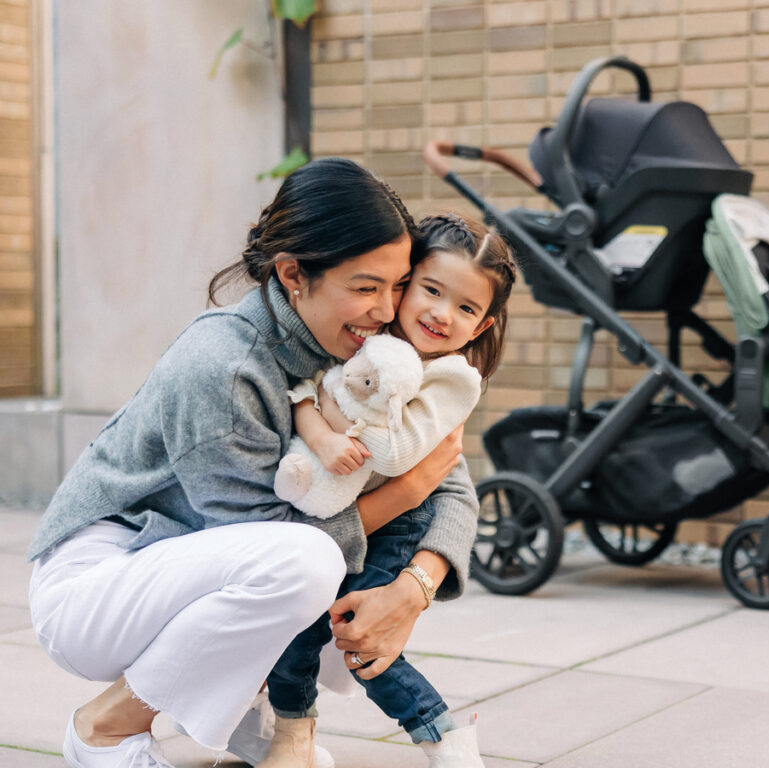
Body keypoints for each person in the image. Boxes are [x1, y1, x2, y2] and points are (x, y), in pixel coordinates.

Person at [26, 158, 479, 768]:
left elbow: (450, 480)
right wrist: (405, 491)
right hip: (99, 586)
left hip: (179, 566)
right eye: (367, 286)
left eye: (398, 285)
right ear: (294, 274)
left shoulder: (358, 348)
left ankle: (240, 711)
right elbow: (266, 537)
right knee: (309, 562)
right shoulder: (226, 364)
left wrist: (412, 589)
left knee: (330, 567)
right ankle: (104, 728)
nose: (386, 307)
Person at [267, 213, 516, 766]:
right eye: (431, 290)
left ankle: (441, 731)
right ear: (403, 286)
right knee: (299, 628)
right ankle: (290, 731)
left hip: (401, 527)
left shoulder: (449, 377)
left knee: (361, 637)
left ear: (479, 327)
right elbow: (303, 393)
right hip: (334, 511)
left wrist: (336, 409)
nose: (440, 313)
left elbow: (401, 454)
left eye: (466, 308)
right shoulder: (365, 342)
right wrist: (320, 427)